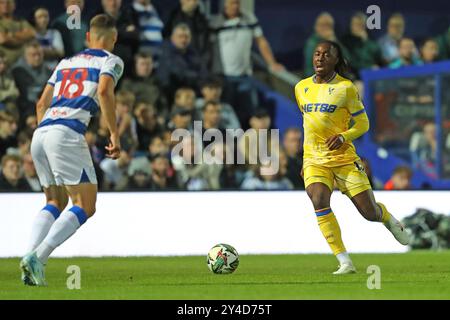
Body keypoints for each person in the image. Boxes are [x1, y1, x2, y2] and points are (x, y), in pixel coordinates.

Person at [20, 14, 124, 286]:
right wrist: (114, 133)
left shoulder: (65, 62)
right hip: (66, 133)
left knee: (54, 201)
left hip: (41, 133)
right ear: (113, 38)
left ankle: (27, 257)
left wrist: (47, 133)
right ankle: (38, 258)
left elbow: (41, 103)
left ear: (88, 37)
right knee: (85, 205)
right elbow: (103, 92)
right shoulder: (110, 60)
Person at [294, 40, 409, 275]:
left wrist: (344, 137)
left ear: (336, 60)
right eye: (317, 54)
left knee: (369, 213)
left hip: (344, 159)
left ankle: (386, 217)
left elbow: (363, 123)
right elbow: (309, 124)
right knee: (318, 199)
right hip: (315, 159)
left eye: (327, 55)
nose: (320, 58)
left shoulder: (345, 88)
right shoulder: (301, 87)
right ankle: (344, 260)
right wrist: (306, 159)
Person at [210, 0, 284, 126]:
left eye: (237, 3)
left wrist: (272, 63)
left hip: (245, 76)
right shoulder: (215, 22)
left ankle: (251, 142)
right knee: (225, 113)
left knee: (251, 113)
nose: (235, 6)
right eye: (232, 3)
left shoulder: (249, 19)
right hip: (223, 77)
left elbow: (261, 42)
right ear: (225, 5)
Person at [157, 23, 207, 99]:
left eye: (186, 37)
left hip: (193, 93)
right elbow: (179, 74)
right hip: (172, 94)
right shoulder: (166, 52)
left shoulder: (193, 53)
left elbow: (203, 74)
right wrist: (195, 77)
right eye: (180, 37)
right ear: (172, 38)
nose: (183, 40)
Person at [12, 41, 53, 118]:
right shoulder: (18, 71)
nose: (37, 58)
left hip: (44, 105)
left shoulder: (49, 71)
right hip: (25, 107)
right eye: (33, 55)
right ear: (25, 56)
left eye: (39, 54)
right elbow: (26, 94)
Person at [98, 0, 140, 76]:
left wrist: (112, 33)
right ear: (103, 1)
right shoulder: (96, 16)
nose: (113, 3)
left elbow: (135, 35)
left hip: (127, 66)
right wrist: (124, 31)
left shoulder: (129, 14)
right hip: (105, 66)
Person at [303, 12, 350, 77]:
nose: (325, 28)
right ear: (316, 27)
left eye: (328, 25)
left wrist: (333, 40)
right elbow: (309, 69)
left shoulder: (333, 41)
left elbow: (347, 58)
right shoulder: (312, 43)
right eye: (322, 25)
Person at [341, 12, 382, 78]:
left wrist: (365, 41)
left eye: (360, 24)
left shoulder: (369, 40)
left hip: (372, 74)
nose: (357, 27)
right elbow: (350, 61)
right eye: (355, 24)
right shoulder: (345, 41)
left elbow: (378, 56)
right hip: (354, 75)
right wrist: (369, 67)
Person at [0, 0, 36, 65]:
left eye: (9, 2)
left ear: (14, 5)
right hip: (5, 65)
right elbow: (3, 40)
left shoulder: (21, 21)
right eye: (2, 3)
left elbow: (32, 34)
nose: (6, 5)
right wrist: (24, 41)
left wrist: (11, 35)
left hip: (25, 64)